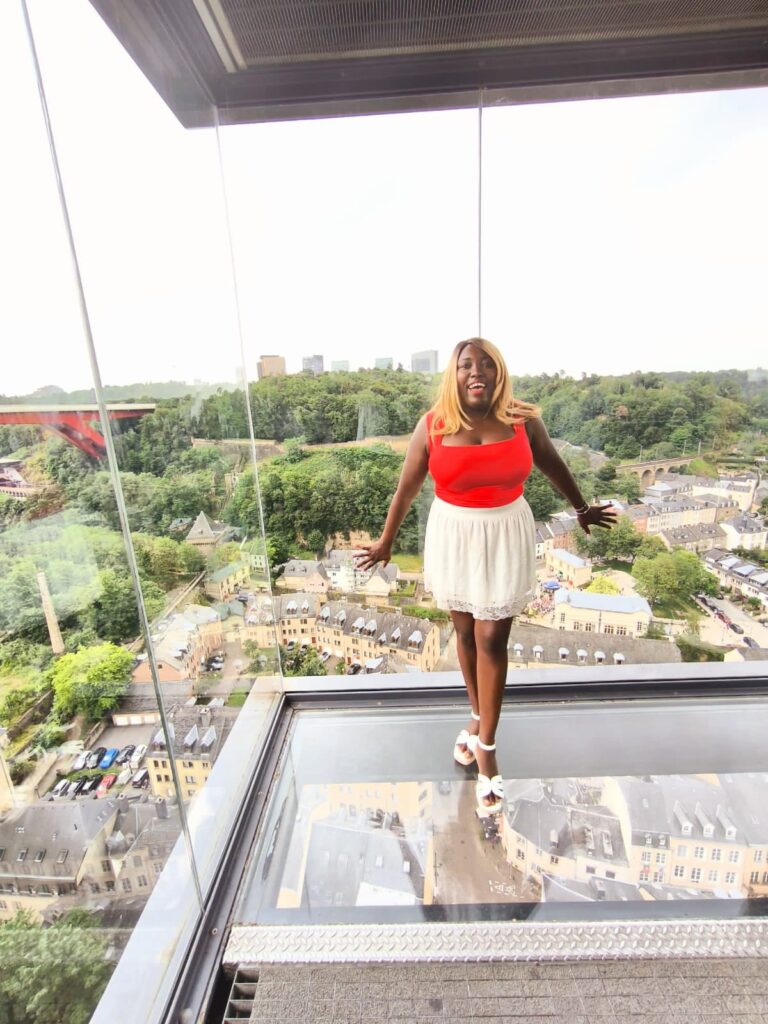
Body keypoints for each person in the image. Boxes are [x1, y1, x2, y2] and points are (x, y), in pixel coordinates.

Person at [355, 337, 616, 816]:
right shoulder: (433, 425)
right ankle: (476, 719)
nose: (476, 372)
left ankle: (488, 750)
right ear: (453, 376)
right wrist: (387, 542)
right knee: (464, 632)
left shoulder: (522, 419)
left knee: (492, 635)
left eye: (486, 364)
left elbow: (552, 462)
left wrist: (581, 509)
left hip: (504, 530)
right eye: (465, 365)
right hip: (455, 533)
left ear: (499, 373)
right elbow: (407, 487)